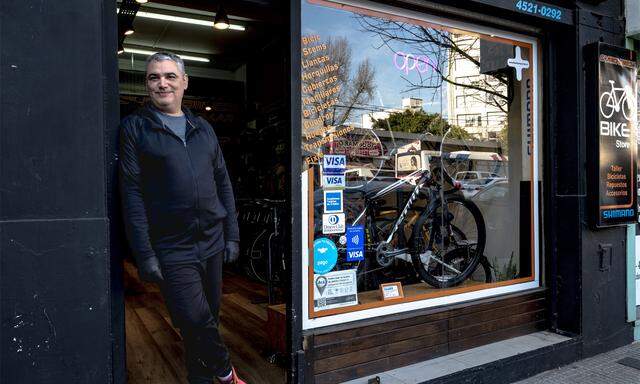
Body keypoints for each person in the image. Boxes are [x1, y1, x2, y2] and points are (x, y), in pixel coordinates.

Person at [119, 52, 245, 384]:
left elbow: (223, 182)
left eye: (170, 76)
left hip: (212, 239)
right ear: (147, 84)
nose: (162, 83)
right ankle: (226, 374)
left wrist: (232, 234)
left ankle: (200, 379)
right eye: (153, 77)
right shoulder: (135, 128)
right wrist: (144, 253)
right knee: (194, 316)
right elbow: (131, 194)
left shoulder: (202, 128)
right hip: (172, 244)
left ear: (184, 82)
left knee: (203, 324)